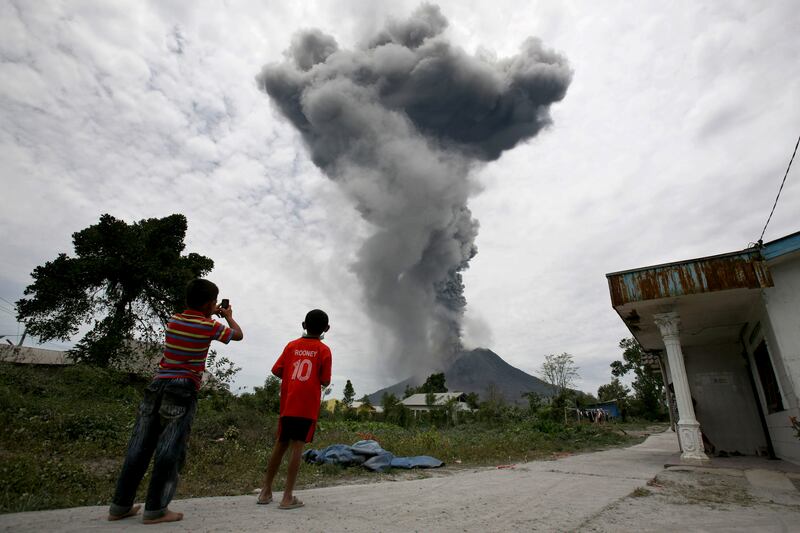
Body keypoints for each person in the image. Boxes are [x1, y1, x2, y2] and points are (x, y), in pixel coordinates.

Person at [107, 279, 243, 524]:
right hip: (182, 388)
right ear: (209, 303)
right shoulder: (209, 326)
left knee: (139, 445)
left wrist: (208, 311)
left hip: (157, 384)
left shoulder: (174, 320)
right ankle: (156, 509)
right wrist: (228, 316)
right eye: (214, 301)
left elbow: (193, 317)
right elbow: (238, 335)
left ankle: (119, 506)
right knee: (169, 449)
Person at [258, 309, 332, 510]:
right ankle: (287, 497)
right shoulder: (324, 350)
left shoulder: (291, 346)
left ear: (303, 325)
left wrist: (292, 378)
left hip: (288, 404)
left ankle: (265, 491)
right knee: (297, 447)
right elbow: (325, 380)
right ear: (326, 328)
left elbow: (277, 370)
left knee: (280, 444)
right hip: (306, 407)